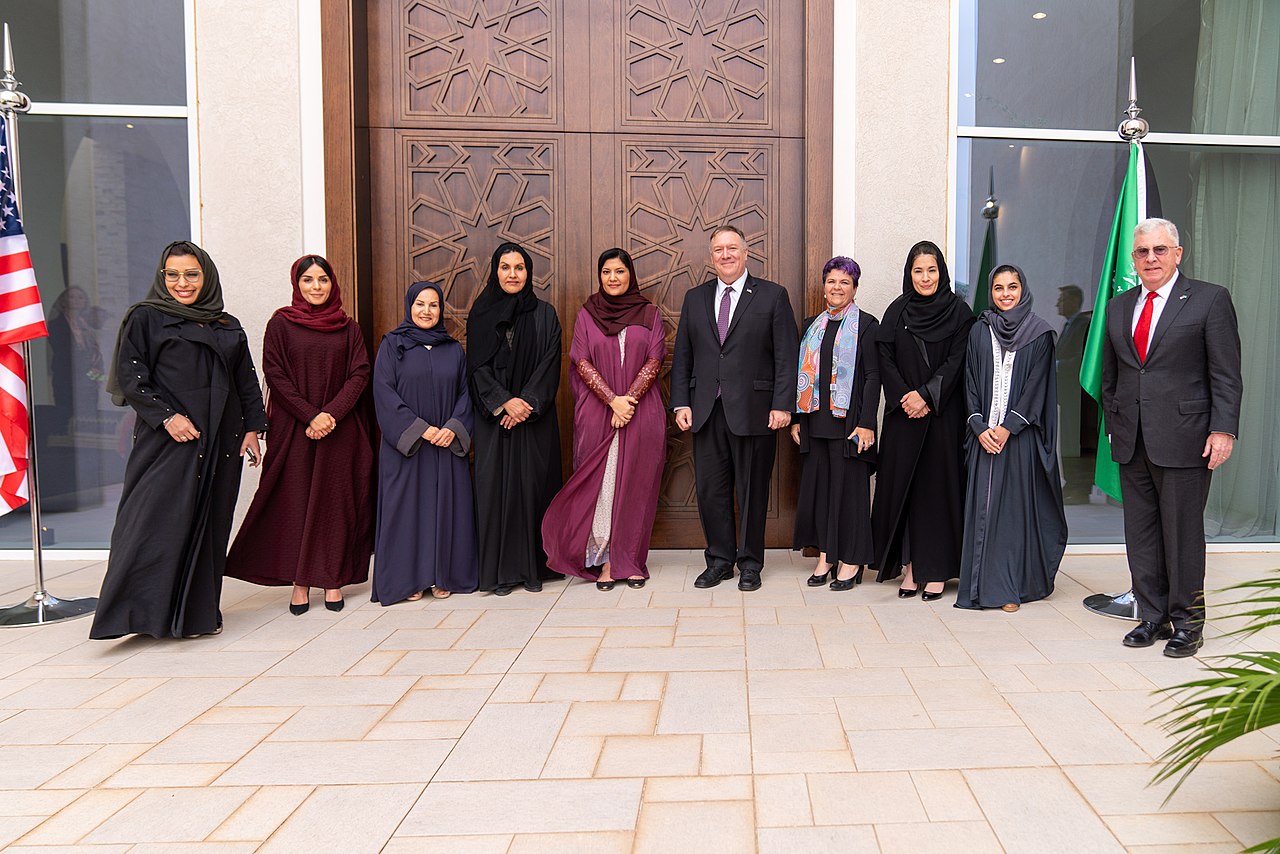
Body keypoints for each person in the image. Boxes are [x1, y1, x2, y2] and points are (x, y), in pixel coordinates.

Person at [90, 241, 266, 640]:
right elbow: (133, 380)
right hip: (168, 441)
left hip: (222, 440)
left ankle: (197, 616)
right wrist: (167, 417)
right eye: (173, 274)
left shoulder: (226, 324)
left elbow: (245, 381)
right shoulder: (146, 318)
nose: (182, 283)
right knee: (152, 523)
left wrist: (253, 429)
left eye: (191, 274)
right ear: (161, 276)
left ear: (206, 277)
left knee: (210, 525)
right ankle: (139, 616)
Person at [1103, 218, 1242, 657]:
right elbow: (1113, 376)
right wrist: (1114, 423)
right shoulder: (1118, 307)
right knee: (1141, 533)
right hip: (1133, 440)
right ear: (1134, 258)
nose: (1151, 259)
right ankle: (1152, 616)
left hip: (1187, 438)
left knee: (1182, 535)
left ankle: (1187, 622)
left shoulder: (1209, 299)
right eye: (1142, 252)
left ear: (1177, 254)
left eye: (1159, 250)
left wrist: (1223, 429)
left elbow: (1226, 374)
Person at [224, 255, 375, 614]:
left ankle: (333, 579)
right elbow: (274, 374)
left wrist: (330, 415)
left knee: (335, 506)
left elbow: (359, 373)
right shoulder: (281, 323)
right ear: (297, 284)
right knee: (296, 504)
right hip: (294, 430)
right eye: (308, 280)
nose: (316, 287)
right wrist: (311, 415)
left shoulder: (348, 327)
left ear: (332, 283)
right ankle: (300, 581)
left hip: (340, 430)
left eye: (322, 279)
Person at [670, 225, 799, 591]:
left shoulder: (772, 296)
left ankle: (750, 563)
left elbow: (786, 355)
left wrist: (783, 404)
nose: (725, 255)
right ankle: (720, 560)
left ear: (746, 253)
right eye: (718, 250)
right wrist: (681, 401)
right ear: (711, 257)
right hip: (706, 411)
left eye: (732, 248)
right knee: (711, 490)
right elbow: (683, 356)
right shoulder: (695, 298)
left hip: (757, 411)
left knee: (752, 489)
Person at [542, 249, 666, 590]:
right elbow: (580, 360)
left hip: (641, 414)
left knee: (636, 488)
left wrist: (629, 401)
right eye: (607, 272)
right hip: (599, 415)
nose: (613, 278)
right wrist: (613, 401)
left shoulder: (649, 312)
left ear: (631, 275)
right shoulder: (587, 313)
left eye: (620, 271)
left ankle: (630, 560)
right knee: (603, 488)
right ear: (600, 276)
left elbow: (656, 358)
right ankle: (606, 560)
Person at [957, 265, 1067, 611]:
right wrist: (979, 427)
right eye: (999, 288)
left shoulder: (1040, 335)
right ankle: (978, 586)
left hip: (1018, 440)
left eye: (1012, 287)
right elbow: (970, 382)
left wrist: (1006, 428)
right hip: (983, 436)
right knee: (983, 512)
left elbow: (1037, 389)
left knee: (1010, 517)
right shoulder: (979, 331)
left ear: (1023, 289)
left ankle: (1008, 589)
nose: (1005, 294)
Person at [871, 241, 976, 601]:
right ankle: (912, 566)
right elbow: (884, 358)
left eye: (931, 270)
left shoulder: (960, 313)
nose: (925, 277)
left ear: (941, 272)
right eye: (918, 270)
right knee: (907, 492)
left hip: (942, 417)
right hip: (904, 417)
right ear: (909, 273)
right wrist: (906, 397)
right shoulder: (896, 311)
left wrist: (927, 395)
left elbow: (958, 361)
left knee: (937, 492)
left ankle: (937, 569)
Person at [372, 280, 478, 603]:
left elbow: (465, 394)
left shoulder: (452, 349)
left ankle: (443, 574)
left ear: (441, 310)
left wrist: (454, 427)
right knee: (408, 511)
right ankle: (411, 579)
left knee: (446, 508)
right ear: (409, 306)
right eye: (420, 304)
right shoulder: (392, 345)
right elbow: (383, 393)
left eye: (433, 305)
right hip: (408, 447)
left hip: (446, 444)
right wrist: (420, 429)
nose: (427, 311)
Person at [467, 242, 563, 595]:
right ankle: (500, 574)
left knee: (532, 489)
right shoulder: (480, 313)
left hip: (533, 421)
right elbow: (476, 367)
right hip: (495, 422)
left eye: (519, 268)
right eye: (505, 268)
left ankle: (534, 569)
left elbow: (550, 362)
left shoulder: (545, 314)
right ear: (495, 271)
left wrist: (525, 403)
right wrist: (504, 403)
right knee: (495, 492)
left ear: (529, 272)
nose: (512, 274)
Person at [789, 256, 880, 591]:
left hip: (851, 424)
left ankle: (852, 560)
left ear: (855, 288)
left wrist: (868, 422)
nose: (837, 287)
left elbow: (873, 377)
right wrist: (798, 418)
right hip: (816, 421)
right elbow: (803, 376)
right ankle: (827, 555)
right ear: (824, 286)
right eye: (832, 281)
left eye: (845, 281)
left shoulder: (868, 326)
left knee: (852, 493)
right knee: (822, 492)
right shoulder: (812, 325)